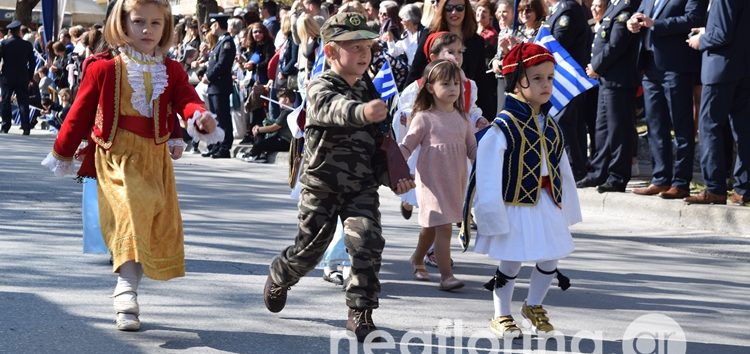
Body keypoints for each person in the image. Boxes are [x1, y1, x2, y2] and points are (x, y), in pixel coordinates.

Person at [41, 0, 223, 332]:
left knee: (149, 222)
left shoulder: (171, 68)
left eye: (155, 23)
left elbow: (185, 99)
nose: (147, 30)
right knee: (131, 212)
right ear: (121, 24)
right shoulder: (103, 67)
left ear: (165, 27)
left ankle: (130, 286)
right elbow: (79, 112)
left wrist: (199, 117)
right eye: (139, 21)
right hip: (116, 156)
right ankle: (126, 290)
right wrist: (63, 151)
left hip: (154, 159)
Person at [262, 12, 415, 343]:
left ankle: (360, 312)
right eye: (354, 47)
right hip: (322, 187)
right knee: (309, 251)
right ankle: (281, 274)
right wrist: (362, 112)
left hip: (360, 186)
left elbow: (378, 142)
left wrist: (394, 176)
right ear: (331, 52)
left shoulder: (367, 87)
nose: (364, 54)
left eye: (368, 47)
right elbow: (333, 110)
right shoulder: (320, 85)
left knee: (367, 242)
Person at [472, 43, 580, 338]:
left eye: (550, 78)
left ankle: (533, 305)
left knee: (551, 256)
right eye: (537, 78)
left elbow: (563, 169)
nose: (546, 85)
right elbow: (488, 174)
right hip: (515, 203)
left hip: (547, 201)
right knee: (512, 258)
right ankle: (501, 314)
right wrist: (489, 213)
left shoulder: (551, 124)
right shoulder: (503, 127)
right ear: (517, 82)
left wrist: (567, 204)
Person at [399, 59, 477, 291]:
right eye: (446, 83)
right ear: (431, 87)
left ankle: (416, 259)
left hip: (455, 182)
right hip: (431, 184)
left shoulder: (463, 119)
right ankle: (447, 276)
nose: (453, 88)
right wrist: (393, 165)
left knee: (430, 228)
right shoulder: (423, 118)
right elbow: (407, 146)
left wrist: (492, 158)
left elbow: (473, 149)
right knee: (443, 227)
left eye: (456, 83)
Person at [627, 0, 708, 199]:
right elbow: (642, 13)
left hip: (675, 66)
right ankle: (660, 179)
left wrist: (655, 24)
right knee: (655, 126)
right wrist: (633, 22)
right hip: (650, 65)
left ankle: (681, 182)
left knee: (682, 126)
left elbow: (693, 18)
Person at [685, 0, 750, 206]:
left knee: (709, 127)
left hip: (720, 71)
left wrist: (701, 40)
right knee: (743, 131)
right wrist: (706, 29)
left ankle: (714, 188)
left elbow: (722, 34)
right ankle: (743, 188)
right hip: (742, 70)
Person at [578, 0, 641, 193]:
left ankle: (618, 176)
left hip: (618, 80)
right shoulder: (615, 6)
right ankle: (599, 172)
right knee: (603, 130)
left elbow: (616, 44)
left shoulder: (626, 8)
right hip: (606, 80)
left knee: (618, 130)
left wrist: (596, 65)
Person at [544, 0, 594, 181]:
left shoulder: (569, 9)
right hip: (562, 77)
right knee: (572, 122)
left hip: (569, 77)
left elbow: (559, 41)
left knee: (565, 121)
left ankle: (575, 168)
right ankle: (577, 166)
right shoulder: (559, 9)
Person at [203, 13, 237, 159]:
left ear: (217, 24)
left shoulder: (227, 42)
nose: (211, 28)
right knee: (216, 118)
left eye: (212, 25)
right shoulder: (220, 42)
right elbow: (213, 63)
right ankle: (217, 143)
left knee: (222, 117)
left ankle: (225, 146)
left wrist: (209, 76)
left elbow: (222, 64)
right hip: (214, 85)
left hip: (220, 85)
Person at [0, 20, 36, 135]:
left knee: (6, 101)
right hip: (22, 76)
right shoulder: (27, 45)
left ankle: (5, 125)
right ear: (19, 31)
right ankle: (25, 127)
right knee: (23, 102)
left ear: (10, 31)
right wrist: (30, 76)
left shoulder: (4, 44)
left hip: (7, 76)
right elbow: (32, 62)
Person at [241, 88, 295, 163]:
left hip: (285, 142)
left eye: (280, 99)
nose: (278, 102)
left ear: (287, 100)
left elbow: (275, 127)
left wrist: (259, 129)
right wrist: (260, 127)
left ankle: (253, 155)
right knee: (261, 135)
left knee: (261, 143)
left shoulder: (287, 112)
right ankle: (259, 154)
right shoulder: (286, 112)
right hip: (280, 139)